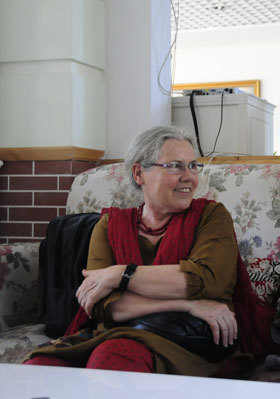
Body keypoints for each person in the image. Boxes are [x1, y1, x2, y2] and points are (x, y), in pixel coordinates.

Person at [24, 126, 240, 376]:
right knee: (39, 367)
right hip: (115, 331)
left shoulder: (211, 216)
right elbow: (102, 304)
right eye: (175, 166)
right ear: (139, 173)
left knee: (112, 357)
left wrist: (119, 275)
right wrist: (188, 305)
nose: (189, 176)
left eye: (193, 166)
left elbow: (204, 280)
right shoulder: (110, 225)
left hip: (187, 341)